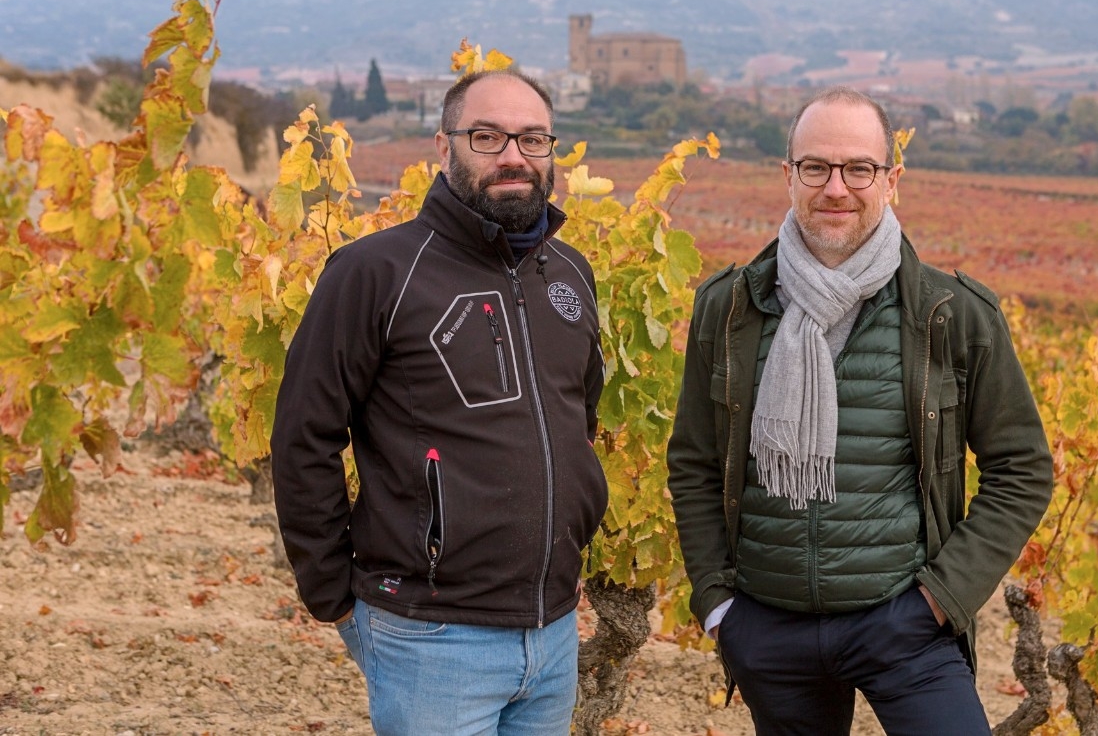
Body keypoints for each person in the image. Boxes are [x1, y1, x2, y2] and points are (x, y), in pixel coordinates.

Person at [666, 86, 1053, 735]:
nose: (836, 187)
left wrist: (941, 597)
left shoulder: (950, 315)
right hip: (769, 626)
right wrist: (717, 604)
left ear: (891, 180)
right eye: (816, 167)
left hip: (905, 624)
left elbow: (1023, 468)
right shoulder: (730, 307)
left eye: (858, 169)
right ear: (788, 175)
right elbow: (694, 462)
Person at [271, 69, 608, 735]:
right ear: (443, 145)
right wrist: (332, 596)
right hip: (432, 638)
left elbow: (579, 420)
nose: (514, 155)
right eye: (487, 136)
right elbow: (302, 436)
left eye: (533, 138)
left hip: (552, 635)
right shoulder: (375, 273)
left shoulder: (570, 274)